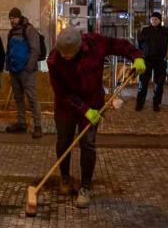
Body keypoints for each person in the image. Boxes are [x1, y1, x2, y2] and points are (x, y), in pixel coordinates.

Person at [48, 27, 145, 208]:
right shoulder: (54, 60)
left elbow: (119, 45)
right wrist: (84, 110)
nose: (65, 56)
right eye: (62, 53)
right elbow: (61, 93)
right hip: (66, 107)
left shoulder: (95, 43)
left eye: (68, 54)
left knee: (88, 144)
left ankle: (85, 186)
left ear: (78, 47)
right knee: (64, 142)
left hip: (92, 102)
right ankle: (65, 178)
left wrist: (136, 56)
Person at [5, 7, 43, 139]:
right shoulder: (11, 32)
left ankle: (38, 126)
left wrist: (28, 68)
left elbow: (35, 50)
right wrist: (8, 66)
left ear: (19, 17)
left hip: (27, 71)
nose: (12, 20)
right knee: (18, 99)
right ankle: (22, 123)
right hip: (14, 70)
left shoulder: (29, 29)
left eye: (14, 18)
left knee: (32, 99)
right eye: (10, 18)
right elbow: (9, 50)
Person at [136, 11, 168, 112]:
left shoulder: (166, 31)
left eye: (156, 19)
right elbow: (140, 44)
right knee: (143, 82)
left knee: (159, 83)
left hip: (160, 60)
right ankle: (140, 103)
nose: (153, 21)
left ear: (160, 20)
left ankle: (156, 104)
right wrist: (140, 55)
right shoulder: (145, 31)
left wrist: (166, 56)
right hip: (147, 59)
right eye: (152, 19)